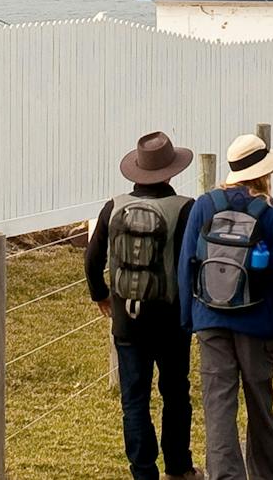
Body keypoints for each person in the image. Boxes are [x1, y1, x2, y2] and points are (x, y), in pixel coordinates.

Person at [180, 133, 273, 480]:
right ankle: (266, 474)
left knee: (218, 404)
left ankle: (224, 475)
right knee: (259, 404)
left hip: (210, 319)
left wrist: (188, 319)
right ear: (263, 172)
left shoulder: (204, 205)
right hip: (257, 320)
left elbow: (186, 264)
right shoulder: (271, 211)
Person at [85, 131, 203, 480]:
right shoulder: (185, 208)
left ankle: (143, 472)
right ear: (171, 172)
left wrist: (102, 295)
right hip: (170, 319)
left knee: (134, 400)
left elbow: (92, 260)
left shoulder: (113, 206)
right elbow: (191, 263)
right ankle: (179, 467)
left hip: (127, 319)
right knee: (175, 392)